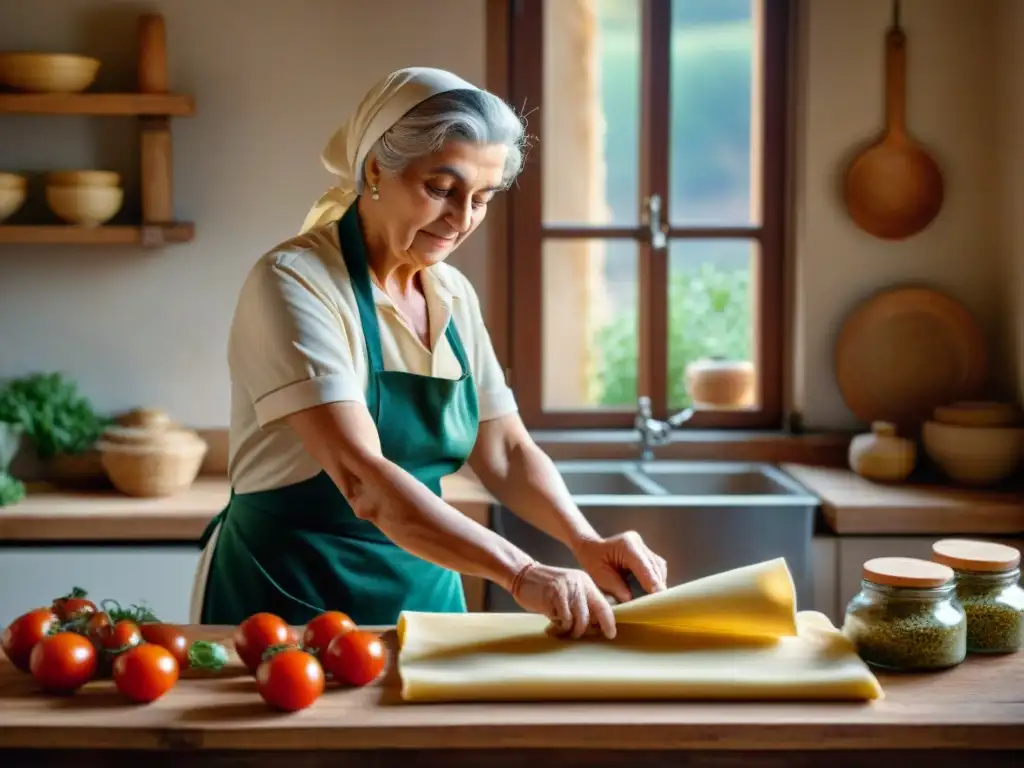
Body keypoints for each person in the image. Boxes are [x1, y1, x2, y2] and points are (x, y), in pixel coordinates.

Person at [189, 67, 668, 640]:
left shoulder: (451, 292)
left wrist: (585, 540)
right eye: (441, 190)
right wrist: (521, 572)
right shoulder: (294, 282)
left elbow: (507, 451)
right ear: (375, 171)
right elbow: (364, 480)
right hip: (287, 600)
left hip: (426, 586)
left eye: (482, 199)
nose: (462, 220)